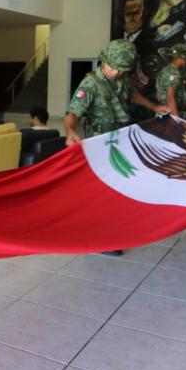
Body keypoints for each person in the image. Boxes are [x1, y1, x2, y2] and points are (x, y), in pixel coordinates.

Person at [65, 40, 169, 256]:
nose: (117, 72)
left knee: (119, 186)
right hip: (101, 143)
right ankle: (100, 238)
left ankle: (113, 227)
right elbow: (73, 112)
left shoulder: (120, 79)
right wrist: (70, 130)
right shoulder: (90, 84)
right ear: (103, 61)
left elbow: (132, 95)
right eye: (114, 68)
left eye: (122, 69)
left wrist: (154, 107)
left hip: (121, 139)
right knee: (101, 190)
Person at [154, 44, 186, 116]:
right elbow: (170, 98)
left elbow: (158, 95)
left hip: (165, 112)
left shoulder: (165, 70)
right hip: (170, 113)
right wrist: (177, 119)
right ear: (182, 57)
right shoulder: (173, 73)